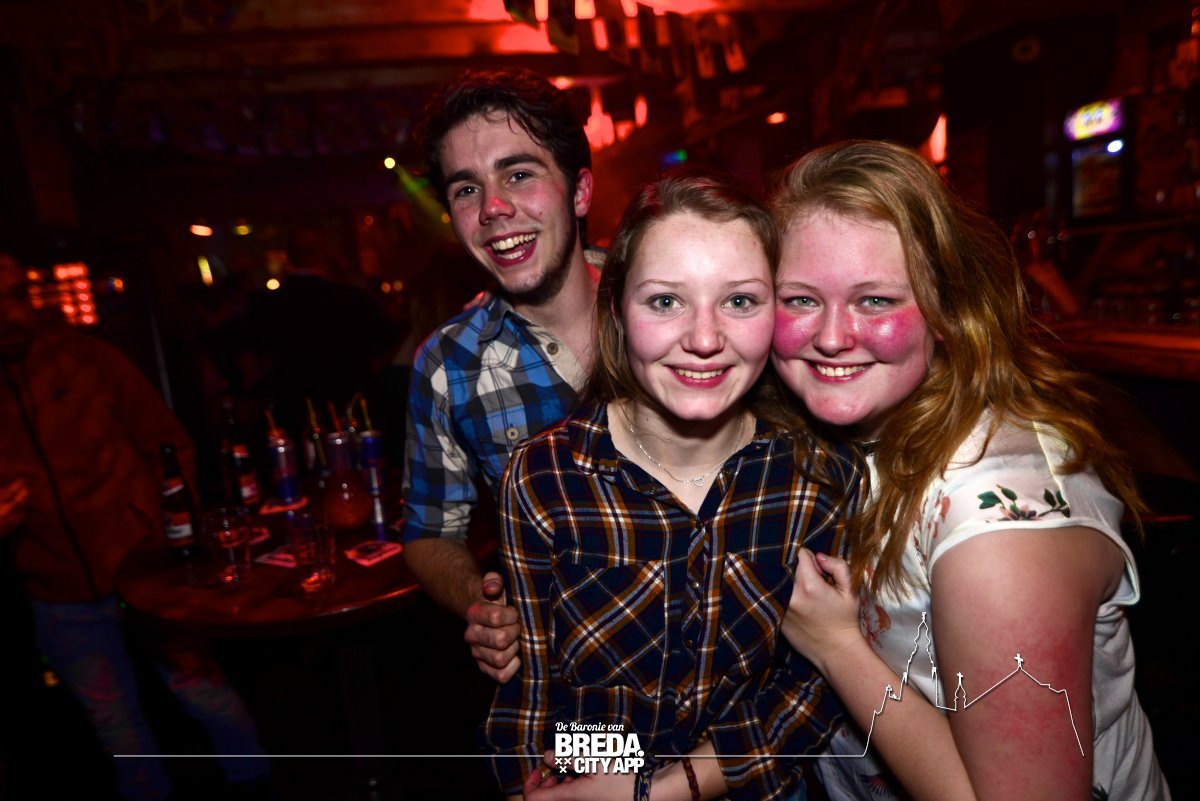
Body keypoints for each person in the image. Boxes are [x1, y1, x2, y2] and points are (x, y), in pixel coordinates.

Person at [768, 141, 1170, 800]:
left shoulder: (1000, 532)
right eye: (800, 299)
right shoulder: (833, 435)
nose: (833, 336)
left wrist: (836, 648)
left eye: (875, 301)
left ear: (946, 311)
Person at [483, 172, 862, 801]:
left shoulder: (818, 477)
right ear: (616, 309)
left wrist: (660, 790)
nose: (704, 340)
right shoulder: (544, 478)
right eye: (664, 302)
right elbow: (539, 697)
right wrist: (588, 779)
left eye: (739, 301)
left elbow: (812, 692)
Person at [0, 253, 271, 801]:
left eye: (13, 295)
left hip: (144, 572)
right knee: (114, 724)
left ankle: (257, 785)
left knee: (203, 691)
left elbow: (167, 444)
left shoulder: (87, 358)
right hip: (55, 590)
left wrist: (170, 539)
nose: (8, 312)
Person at [401, 68, 601, 681]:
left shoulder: (674, 304)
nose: (493, 208)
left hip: (734, 684)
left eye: (518, 174)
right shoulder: (448, 365)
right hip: (580, 697)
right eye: (467, 189)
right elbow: (429, 532)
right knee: (575, 754)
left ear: (579, 191)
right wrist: (480, 605)